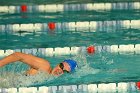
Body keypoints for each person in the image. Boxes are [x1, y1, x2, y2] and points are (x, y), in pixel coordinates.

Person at [0, 52, 77, 76]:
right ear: (58, 63)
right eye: (61, 66)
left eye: (65, 71)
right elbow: (18, 56)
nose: (60, 70)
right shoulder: (45, 66)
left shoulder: (49, 77)